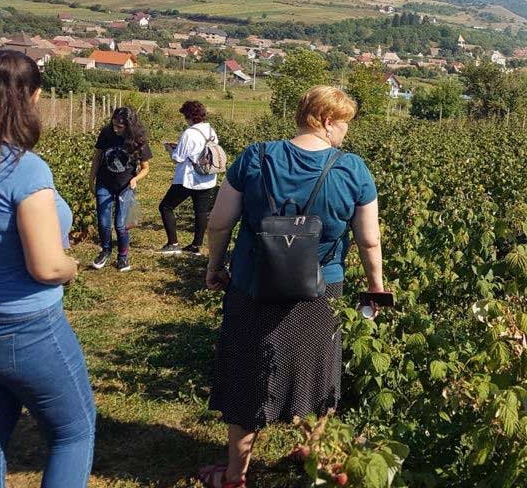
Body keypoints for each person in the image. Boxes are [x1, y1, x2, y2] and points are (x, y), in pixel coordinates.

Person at [200, 86, 385, 488]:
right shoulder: (352, 169)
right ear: (327, 121)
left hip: (252, 287)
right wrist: (376, 288)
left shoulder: (255, 157)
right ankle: (314, 457)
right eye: (345, 124)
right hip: (319, 293)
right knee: (317, 375)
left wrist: (216, 267)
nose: (346, 132)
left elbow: (219, 222)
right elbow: (369, 240)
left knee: (247, 377)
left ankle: (234, 476)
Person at [0, 50, 95, 488]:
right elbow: (45, 266)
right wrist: (71, 267)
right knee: (73, 432)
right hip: (26, 327)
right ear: (32, 97)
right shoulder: (24, 170)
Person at [89, 106, 151, 272]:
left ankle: (123, 256)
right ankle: (105, 251)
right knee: (103, 222)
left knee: (120, 224)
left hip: (125, 186)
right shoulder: (106, 133)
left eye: (120, 127)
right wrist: (91, 179)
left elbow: (145, 168)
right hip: (104, 183)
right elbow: (97, 157)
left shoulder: (138, 140)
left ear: (129, 126)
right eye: (113, 124)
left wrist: (135, 179)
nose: (115, 129)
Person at [159, 101, 219, 255]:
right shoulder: (210, 130)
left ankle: (173, 244)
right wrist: (180, 146)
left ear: (189, 116)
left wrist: (170, 149)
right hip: (208, 177)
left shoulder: (189, 133)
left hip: (189, 179)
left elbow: (177, 158)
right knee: (201, 212)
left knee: (166, 207)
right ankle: (196, 246)